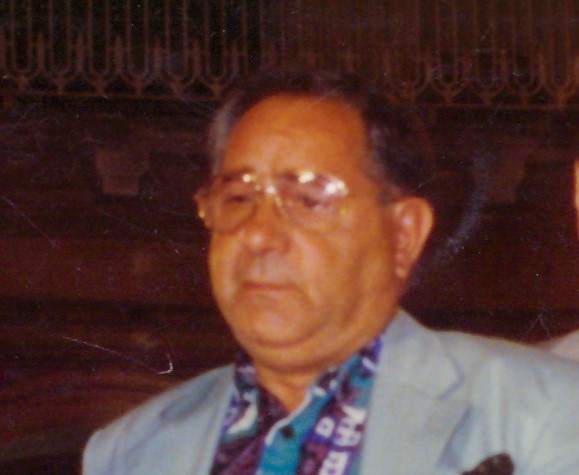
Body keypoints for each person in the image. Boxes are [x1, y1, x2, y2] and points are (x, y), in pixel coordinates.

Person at [83, 71, 579, 475]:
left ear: (403, 234)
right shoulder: (130, 451)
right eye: (238, 198)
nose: (258, 235)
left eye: (307, 198)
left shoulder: (541, 413)